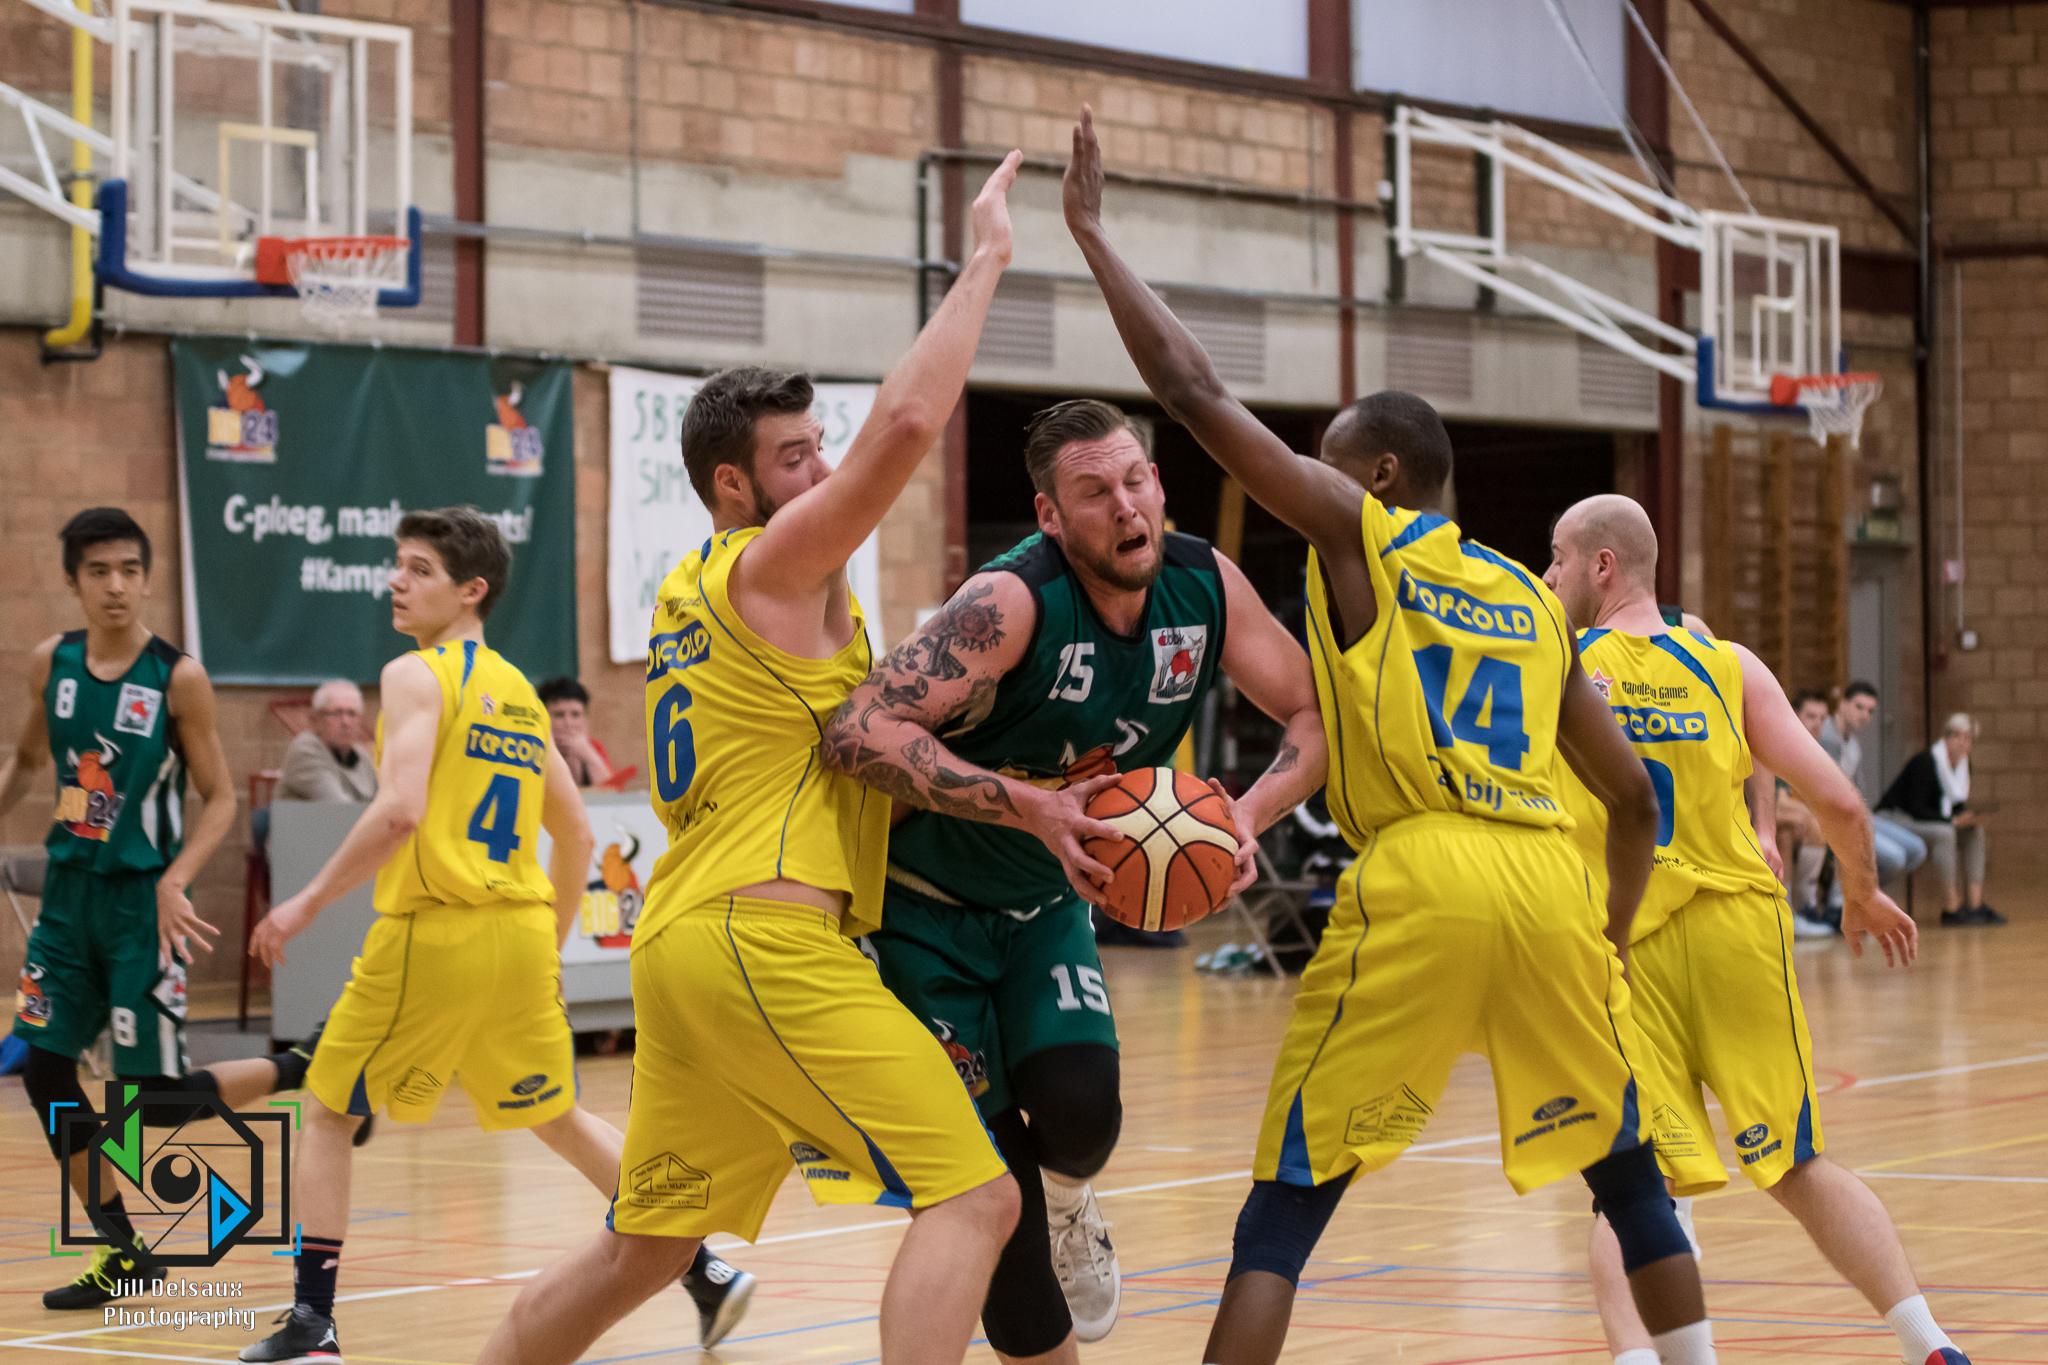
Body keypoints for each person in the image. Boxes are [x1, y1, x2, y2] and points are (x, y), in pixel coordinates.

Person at [1062, 108, 1720, 1365]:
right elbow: (1633, 797)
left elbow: (1193, 395)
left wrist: (1093, 237)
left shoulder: (1361, 537)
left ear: (1374, 478)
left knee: (1287, 1203)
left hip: (1422, 869)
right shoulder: (1531, 599)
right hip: (1549, 881)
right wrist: (1610, 930)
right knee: (1628, 1174)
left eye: (1325, 466)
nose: (1307, 484)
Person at [477, 153, 1029, 1365]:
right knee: (977, 1199)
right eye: (795, 459)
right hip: (763, 941)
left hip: (686, 945)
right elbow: (907, 425)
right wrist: (985, 258)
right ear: (732, 485)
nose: (823, 472)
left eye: (818, 449)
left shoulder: (694, 587)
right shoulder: (768, 568)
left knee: (646, 1247)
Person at [821, 398, 1328, 1356]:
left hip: (1048, 904)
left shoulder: (1204, 586)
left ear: (1159, 485)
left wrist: (1246, 815)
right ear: (1050, 516)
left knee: (1085, 1114)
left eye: (1136, 481)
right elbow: (856, 729)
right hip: (922, 916)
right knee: (993, 1202)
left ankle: (1073, 1199)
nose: (1125, 506)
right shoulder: (1009, 604)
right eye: (1095, 493)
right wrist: (1030, 806)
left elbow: (1312, 711)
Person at [241, 508, 756, 1360]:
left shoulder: (415, 674)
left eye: (419, 569)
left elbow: (400, 809)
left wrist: (306, 902)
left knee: (328, 1111)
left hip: (437, 929)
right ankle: (703, 1266)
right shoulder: (519, 694)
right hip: (518, 934)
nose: (397, 581)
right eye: (398, 564)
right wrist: (546, 946)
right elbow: (577, 833)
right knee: (558, 1116)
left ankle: (311, 1322)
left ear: (470, 590)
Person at [1543, 495, 1967, 1365]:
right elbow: (1842, 802)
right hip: (1739, 927)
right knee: (1797, 1164)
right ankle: (1930, 1345)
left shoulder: (1558, 666)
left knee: (1636, 1186)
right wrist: (1859, 892)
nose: (1549, 575)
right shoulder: (1725, 661)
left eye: (1556, 557)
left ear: (1601, 565)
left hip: (1626, 941)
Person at [0, 507, 323, 1310]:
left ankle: (304, 1066)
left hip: (144, 907)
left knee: (149, 1100)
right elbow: (29, 759)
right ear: (72, 580)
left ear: (146, 578)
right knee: (45, 1069)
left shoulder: (178, 677)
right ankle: (124, 1250)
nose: (116, 585)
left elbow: (220, 796)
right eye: (99, 571)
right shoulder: (50, 664)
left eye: (130, 570)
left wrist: (177, 879)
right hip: (67, 903)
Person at [1878, 714, 2001, 926]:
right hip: (1896, 818)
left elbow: (1954, 805)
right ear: (1945, 737)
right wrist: (1952, 821)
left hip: (1927, 819)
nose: (1962, 742)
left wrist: (1968, 819)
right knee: (1945, 833)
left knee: (1974, 832)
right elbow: (1917, 807)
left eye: (1967, 738)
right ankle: (1951, 908)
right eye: (1957, 736)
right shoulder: (1925, 761)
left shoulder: (1963, 766)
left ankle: (1974, 905)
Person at [1821, 681, 1927, 891]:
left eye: (1870, 711)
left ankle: (1863, 895)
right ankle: (1854, 897)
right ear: (1842, 704)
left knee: (1917, 850)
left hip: (1858, 814)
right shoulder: (1824, 735)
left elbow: (1858, 790)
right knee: (1896, 858)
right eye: (1859, 707)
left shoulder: (1853, 745)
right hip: (1835, 818)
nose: (1865, 715)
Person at [279, 680, 378, 802]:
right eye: (337, 713)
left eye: (352, 714)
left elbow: (380, 802)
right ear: (316, 718)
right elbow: (338, 808)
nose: (346, 722)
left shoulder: (362, 756)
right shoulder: (304, 751)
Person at [536, 677, 614, 789]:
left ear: (586, 719)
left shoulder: (594, 748)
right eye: (559, 715)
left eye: (575, 714)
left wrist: (590, 757)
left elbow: (611, 794)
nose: (568, 723)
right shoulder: (536, 748)